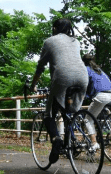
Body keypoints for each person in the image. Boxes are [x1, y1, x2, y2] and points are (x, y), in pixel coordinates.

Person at [30, 18, 88, 164]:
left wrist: (33, 85)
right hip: (82, 76)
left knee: (49, 114)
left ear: (55, 28)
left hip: (62, 77)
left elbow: (41, 66)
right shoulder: (76, 42)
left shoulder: (49, 41)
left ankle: (57, 140)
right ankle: (70, 142)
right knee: (70, 111)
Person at [82, 53, 111, 118]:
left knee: (88, 121)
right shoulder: (99, 70)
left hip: (102, 96)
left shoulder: (86, 69)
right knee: (101, 106)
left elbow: (83, 83)